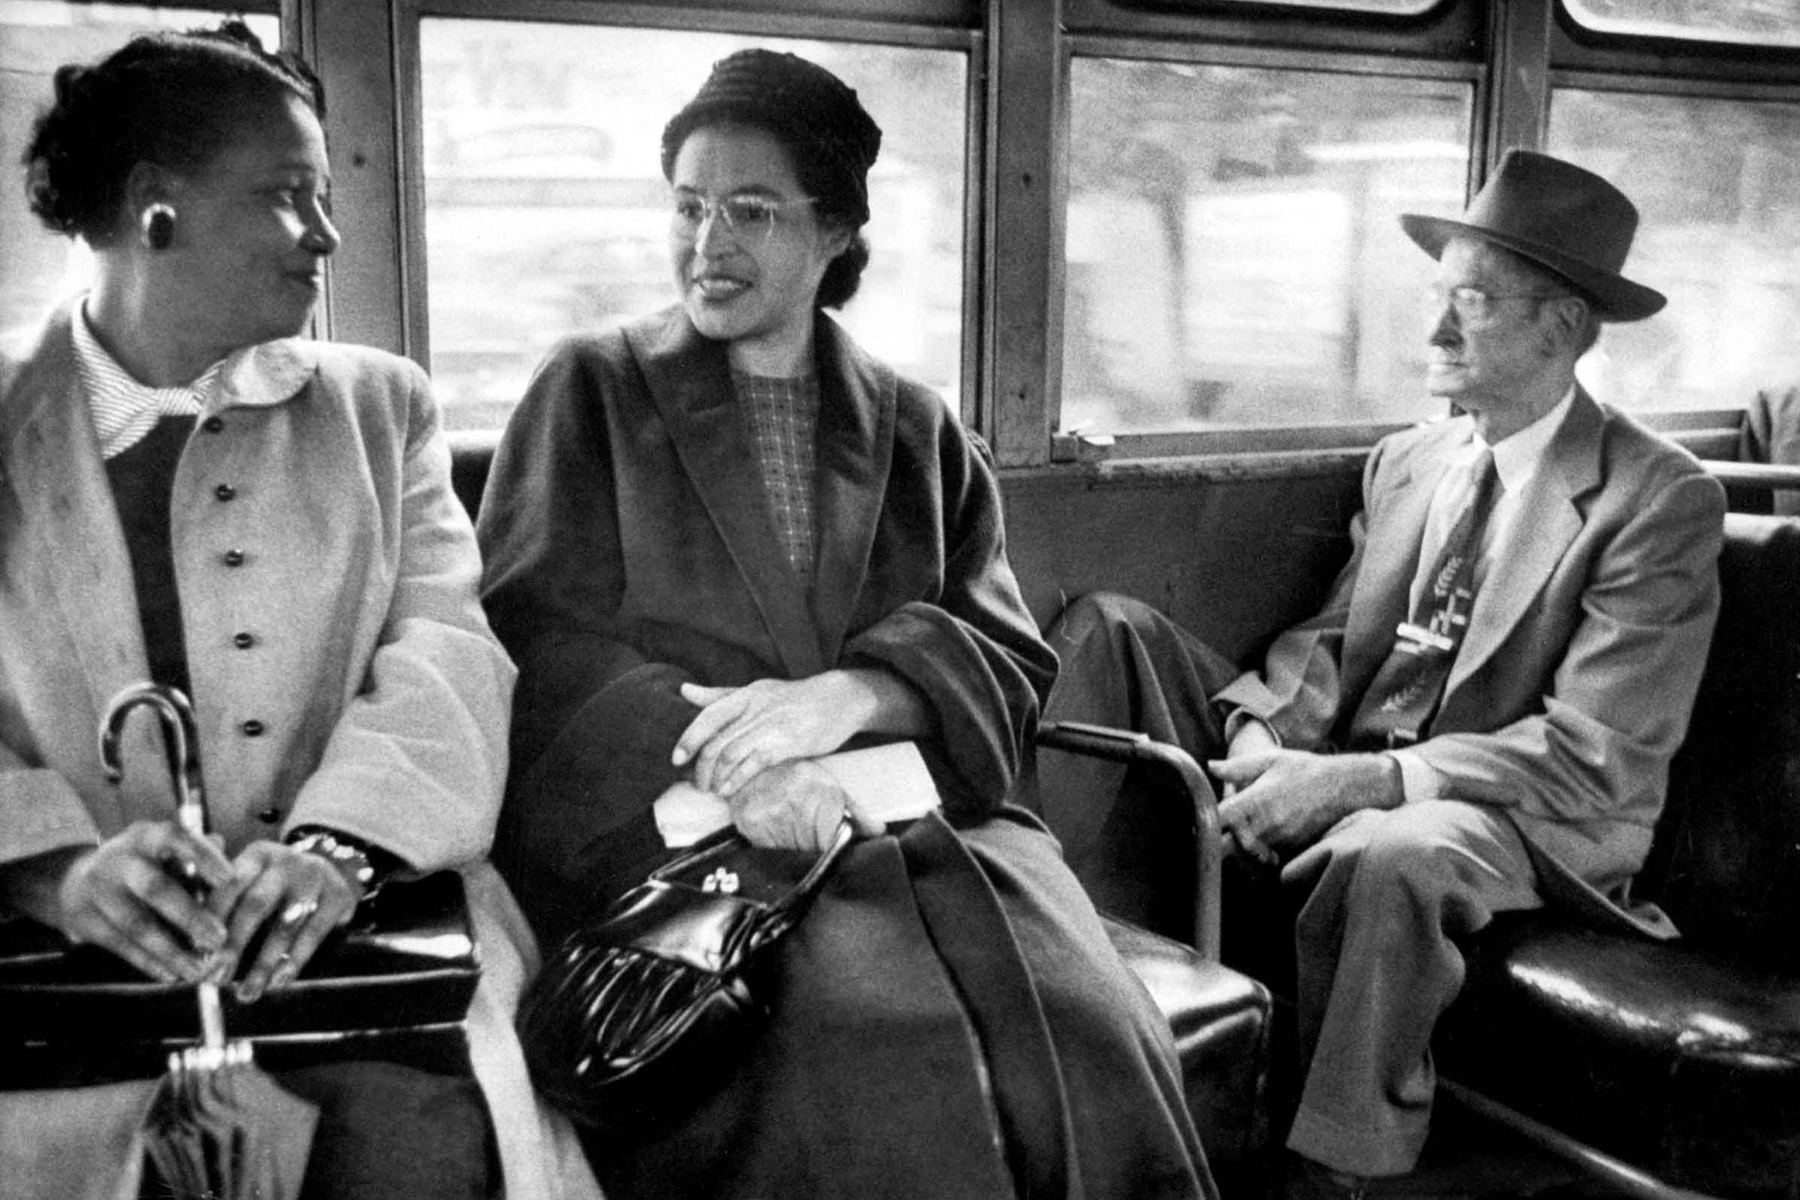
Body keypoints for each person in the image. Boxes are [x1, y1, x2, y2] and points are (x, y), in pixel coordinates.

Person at [477, 48, 1213, 1200]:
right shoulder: (590, 390)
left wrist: (855, 695)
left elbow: (1004, 648)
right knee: (865, 1053)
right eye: (689, 207)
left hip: (931, 821)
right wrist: (741, 768)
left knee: (1088, 1029)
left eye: (752, 212)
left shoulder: (919, 427)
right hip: (685, 831)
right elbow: (533, 642)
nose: (706, 245)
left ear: (834, 235)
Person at [1039, 150, 1726, 1198]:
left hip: (1530, 808)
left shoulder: (1656, 499)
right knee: (1108, 630)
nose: (1436, 331)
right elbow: (1328, 643)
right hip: (1367, 755)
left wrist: (1359, 782)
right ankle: (1069, 1008)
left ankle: (1332, 1169)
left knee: (1391, 851)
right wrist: (1268, 739)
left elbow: (1594, 751)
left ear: (1565, 329)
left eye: (1475, 303)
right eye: (1435, 297)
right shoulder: (1412, 461)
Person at [0, 24, 599, 1200]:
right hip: (54, 969)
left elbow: (446, 654)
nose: (326, 234)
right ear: (153, 209)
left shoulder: (383, 410)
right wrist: (54, 866)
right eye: (289, 198)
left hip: (368, 938)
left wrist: (341, 848)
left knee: (425, 1136)